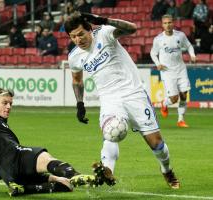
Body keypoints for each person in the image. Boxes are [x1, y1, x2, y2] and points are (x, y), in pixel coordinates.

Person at [64, 11, 180, 189]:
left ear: (89, 29)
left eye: (81, 34)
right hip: (110, 99)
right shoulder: (74, 57)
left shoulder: (104, 33)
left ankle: (167, 169)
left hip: (134, 94)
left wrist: (103, 20)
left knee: (156, 143)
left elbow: (132, 28)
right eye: (73, 37)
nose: (78, 40)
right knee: (111, 133)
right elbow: (77, 80)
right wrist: (80, 104)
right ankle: (107, 170)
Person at [150, 14, 196, 128]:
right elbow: (153, 53)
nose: (168, 25)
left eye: (169, 22)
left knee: (184, 95)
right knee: (174, 99)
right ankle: (164, 103)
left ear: (173, 22)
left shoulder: (180, 35)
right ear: (162, 25)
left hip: (180, 69)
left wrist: (192, 55)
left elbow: (189, 46)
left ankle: (181, 120)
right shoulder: (158, 39)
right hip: (167, 72)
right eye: (165, 23)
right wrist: (158, 64)